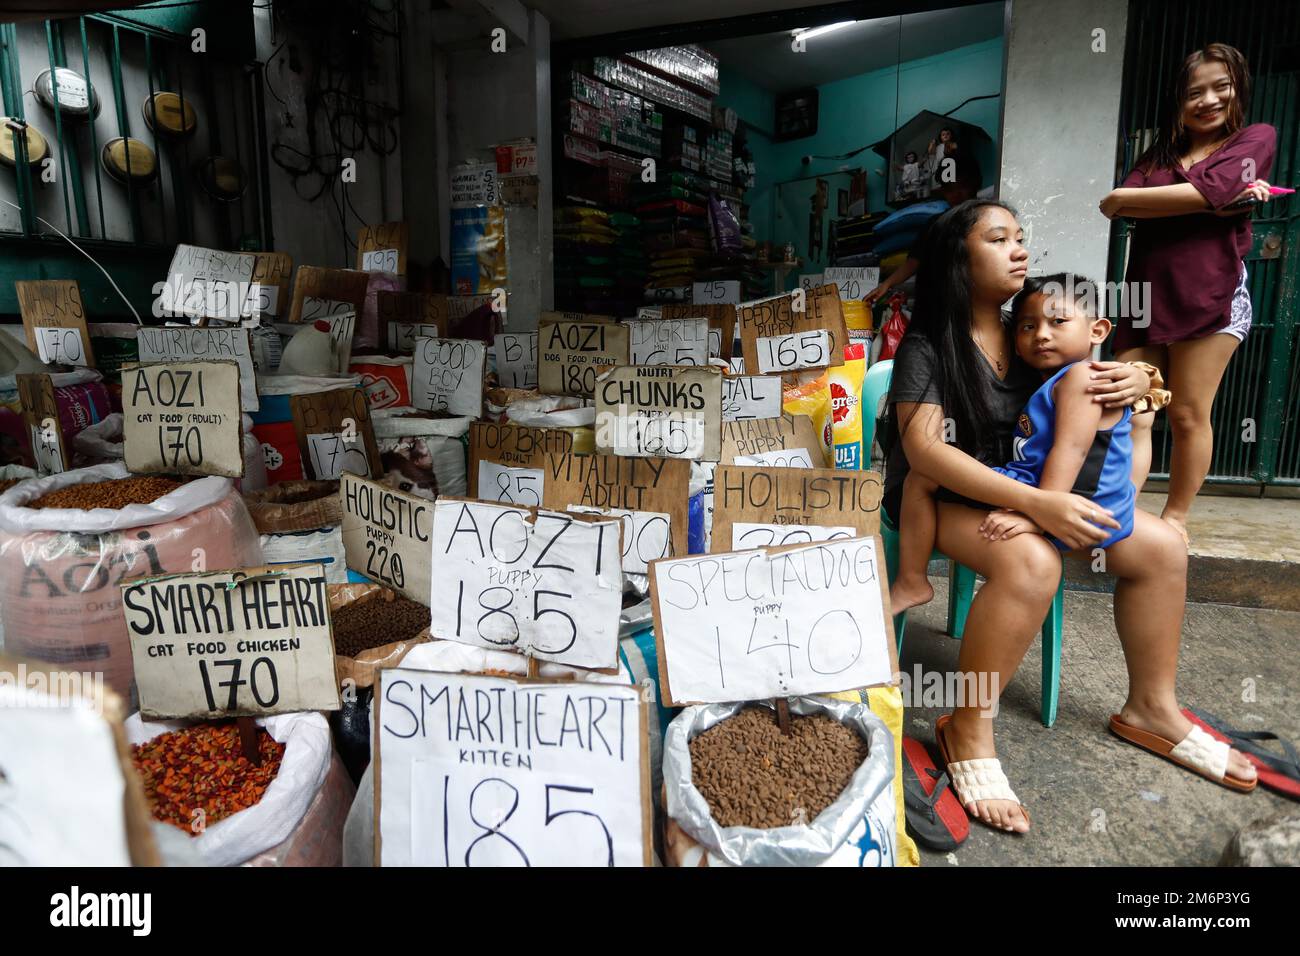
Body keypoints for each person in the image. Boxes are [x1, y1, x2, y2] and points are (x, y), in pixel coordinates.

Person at [883, 200, 1258, 834]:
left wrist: (1142, 380)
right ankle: (967, 723)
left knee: (1164, 545)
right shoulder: (928, 345)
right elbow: (925, 451)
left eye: (1021, 237)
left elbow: (1096, 359)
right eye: (999, 239)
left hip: (1028, 493)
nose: (1019, 250)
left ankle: (1150, 708)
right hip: (943, 497)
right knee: (1031, 561)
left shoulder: (1030, 328)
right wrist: (1038, 506)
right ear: (957, 257)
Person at [1098, 43, 1277, 545]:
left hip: (1211, 292)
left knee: (1187, 412)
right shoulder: (1159, 152)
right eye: (1195, 91)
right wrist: (1215, 200)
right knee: (1131, 407)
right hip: (1142, 294)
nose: (1209, 100)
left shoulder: (1255, 138)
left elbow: (1145, 197)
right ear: (1179, 100)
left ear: (1238, 87)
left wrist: (1208, 197)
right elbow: (1116, 204)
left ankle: (1176, 518)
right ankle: (1120, 512)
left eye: (1221, 86)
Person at [889, 273, 1141, 614]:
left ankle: (912, 580)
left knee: (919, 480)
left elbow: (1072, 450)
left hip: (1069, 505)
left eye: (1059, 322)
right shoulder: (1052, 373)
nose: (1041, 335)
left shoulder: (1081, 377)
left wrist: (1039, 515)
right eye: (1027, 327)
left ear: (1097, 331)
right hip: (1074, 498)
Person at [863, 153, 982, 309]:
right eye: (950, 189)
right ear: (943, 191)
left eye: (963, 186)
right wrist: (885, 285)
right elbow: (913, 262)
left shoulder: (989, 219)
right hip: (943, 305)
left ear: (975, 184)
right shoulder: (936, 225)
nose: (957, 194)